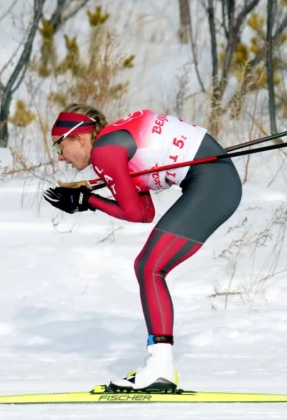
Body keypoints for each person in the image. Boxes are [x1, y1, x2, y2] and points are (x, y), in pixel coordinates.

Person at [43, 103, 242, 392]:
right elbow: (145, 212)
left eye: (59, 146)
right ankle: (159, 365)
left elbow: (135, 214)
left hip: (212, 184)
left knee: (149, 267)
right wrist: (89, 198)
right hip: (216, 182)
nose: (60, 157)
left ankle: (160, 368)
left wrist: (88, 201)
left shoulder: (105, 152)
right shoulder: (115, 142)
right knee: (148, 266)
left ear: (79, 137)